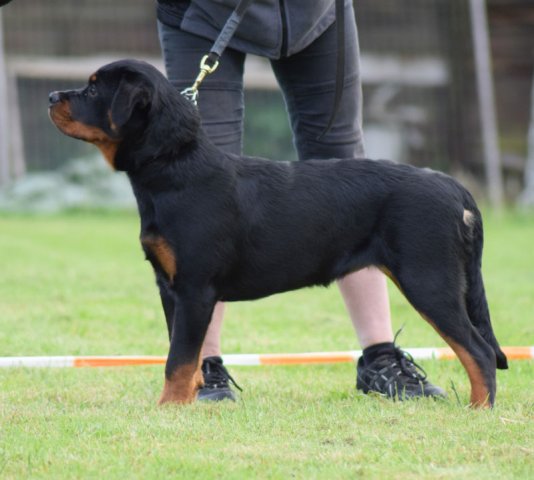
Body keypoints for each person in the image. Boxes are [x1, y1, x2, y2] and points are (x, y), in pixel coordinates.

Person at [156, 0, 446, 401]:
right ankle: (203, 369)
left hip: (315, 13)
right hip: (206, 13)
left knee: (347, 167)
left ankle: (381, 359)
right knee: (202, 184)